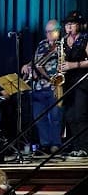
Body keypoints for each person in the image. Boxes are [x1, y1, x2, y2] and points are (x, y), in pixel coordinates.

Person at [21, 19, 64, 156]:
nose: (48, 35)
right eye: (46, 32)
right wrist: (27, 66)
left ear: (58, 30)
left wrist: (42, 71)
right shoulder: (41, 44)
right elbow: (35, 60)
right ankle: (45, 144)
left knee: (55, 117)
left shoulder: (62, 45)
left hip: (54, 87)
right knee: (39, 117)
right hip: (38, 87)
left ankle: (55, 145)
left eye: (51, 32)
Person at [60, 10, 88, 158]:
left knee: (80, 115)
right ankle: (77, 147)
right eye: (67, 24)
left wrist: (73, 65)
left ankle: (85, 147)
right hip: (68, 82)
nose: (69, 27)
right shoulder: (63, 42)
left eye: (72, 24)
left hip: (82, 81)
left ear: (79, 26)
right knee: (70, 116)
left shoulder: (85, 39)